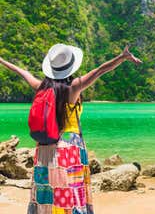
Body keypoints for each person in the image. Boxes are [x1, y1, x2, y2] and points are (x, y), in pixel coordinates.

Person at [0, 43, 141, 214]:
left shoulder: (42, 86)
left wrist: (2, 61)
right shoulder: (73, 88)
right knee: (70, 192)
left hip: (45, 147)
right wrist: (122, 57)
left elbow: (23, 73)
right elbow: (100, 71)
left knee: (47, 191)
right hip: (69, 149)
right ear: (70, 67)